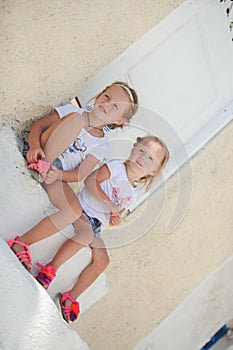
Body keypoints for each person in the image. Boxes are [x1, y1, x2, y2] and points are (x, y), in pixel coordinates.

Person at [35, 135, 170, 323]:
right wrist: (108, 205)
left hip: (97, 225)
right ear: (132, 150)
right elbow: (90, 182)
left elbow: (118, 211)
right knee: (84, 234)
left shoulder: (135, 192)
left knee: (103, 260)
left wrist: (115, 217)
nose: (142, 159)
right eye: (141, 151)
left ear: (154, 171)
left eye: (150, 159)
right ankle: (50, 268)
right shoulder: (116, 168)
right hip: (82, 210)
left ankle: (71, 297)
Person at [7, 81, 139, 270]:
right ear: (100, 94)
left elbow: (80, 174)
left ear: (119, 121)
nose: (107, 103)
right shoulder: (74, 111)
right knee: (77, 120)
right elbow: (39, 126)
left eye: (115, 106)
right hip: (41, 153)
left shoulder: (102, 146)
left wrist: (57, 174)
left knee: (73, 211)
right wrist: (35, 146)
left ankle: (23, 242)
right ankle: (41, 166)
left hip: (54, 173)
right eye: (107, 96)